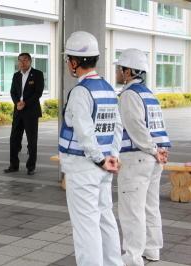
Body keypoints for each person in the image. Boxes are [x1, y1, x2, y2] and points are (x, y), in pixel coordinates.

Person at [59, 31, 124, 266]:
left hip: (83, 168)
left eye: (68, 60)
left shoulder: (80, 92)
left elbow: (85, 133)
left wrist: (99, 159)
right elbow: (117, 127)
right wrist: (112, 157)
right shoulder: (107, 88)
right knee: (105, 219)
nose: (68, 64)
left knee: (86, 227)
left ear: (75, 62)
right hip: (104, 167)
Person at [116, 48, 171, 266]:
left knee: (132, 209)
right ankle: (152, 249)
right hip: (154, 159)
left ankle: (132, 256)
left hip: (137, 158)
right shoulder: (149, 95)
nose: (118, 72)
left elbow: (136, 127)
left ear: (129, 71)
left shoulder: (129, 95)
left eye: (120, 69)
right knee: (150, 206)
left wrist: (151, 149)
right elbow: (158, 127)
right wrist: (160, 150)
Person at [3, 53, 44, 175]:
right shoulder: (16, 75)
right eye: (20, 61)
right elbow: (12, 92)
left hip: (31, 111)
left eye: (25, 60)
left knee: (32, 140)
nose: (22, 63)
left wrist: (25, 103)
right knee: (14, 138)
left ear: (30, 61)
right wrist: (17, 103)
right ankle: (13, 165)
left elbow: (38, 92)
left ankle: (31, 166)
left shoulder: (37, 74)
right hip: (18, 110)